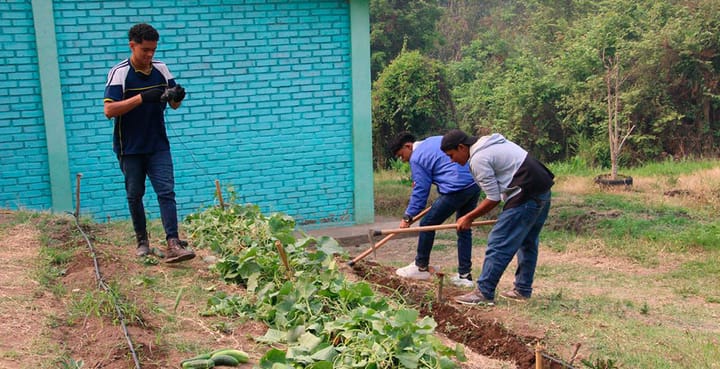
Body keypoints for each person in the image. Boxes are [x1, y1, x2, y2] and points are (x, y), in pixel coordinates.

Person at [103, 23, 195, 263]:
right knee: (135, 194)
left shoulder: (162, 69)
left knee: (166, 191)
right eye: (145, 50)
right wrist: (141, 98)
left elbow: (173, 105)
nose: (150, 55)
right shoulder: (120, 72)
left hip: (158, 145)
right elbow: (109, 110)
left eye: (153, 50)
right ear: (132, 46)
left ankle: (173, 242)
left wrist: (177, 97)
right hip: (130, 147)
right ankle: (142, 241)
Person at [440, 129, 554, 305]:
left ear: (462, 147)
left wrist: (468, 217)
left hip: (525, 193)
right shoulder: (489, 143)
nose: (452, 160)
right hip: (542, 188)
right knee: (528, 241)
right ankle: (522, 289)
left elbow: (492, 198)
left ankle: (484, 292)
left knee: (499, 241)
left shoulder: (478, 158)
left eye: (451, 155)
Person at [388, 132, 481, 287]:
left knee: (427, 224)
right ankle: (465, 276)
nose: (402, 159)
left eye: (401, 155)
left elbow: (420, 191)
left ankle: (421, 266)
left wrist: (408, 216)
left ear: (408, 146)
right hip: (473, 184)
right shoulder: (433, 141)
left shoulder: (416, 158)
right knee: (463, 226)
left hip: (456, 189)